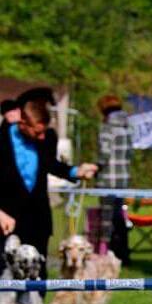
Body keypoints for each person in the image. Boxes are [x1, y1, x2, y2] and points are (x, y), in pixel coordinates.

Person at [0, 97, 97, 276]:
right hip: (6, 220)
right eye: (37, 133)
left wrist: (77, 171)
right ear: (22, 123)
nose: (42, 137)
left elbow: (52, 165)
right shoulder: (2, 138)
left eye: (44, 132)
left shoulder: (48, 137)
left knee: (37, 276)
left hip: (37, 219)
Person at [96, 95, 132, 264]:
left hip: (108, 178)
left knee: (106, 218)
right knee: (120, 217)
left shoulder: (107, 127)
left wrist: (96, 166)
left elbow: (104, 153)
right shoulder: (128, 125)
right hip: (123, 177)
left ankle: (104, 253)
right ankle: (124, 253)